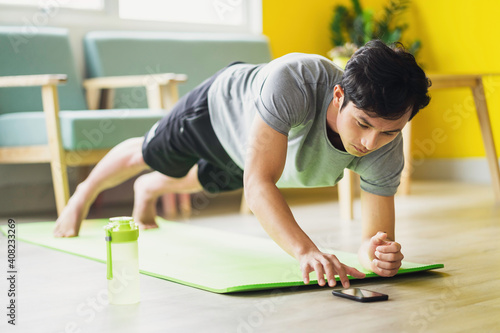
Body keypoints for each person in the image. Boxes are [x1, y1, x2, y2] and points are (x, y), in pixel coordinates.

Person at [54, 40, 431, 289]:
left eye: (389, 132)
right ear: (338, 95)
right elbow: (259, 185)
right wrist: (306, 251)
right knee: (148, 155)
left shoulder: (386, 148)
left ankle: (148, 188)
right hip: (217, 110)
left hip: (250, 155)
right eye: (363, 124)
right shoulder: (296, 81)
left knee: (199, 181)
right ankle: (83, 193)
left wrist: (377, 256)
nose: (370, 144)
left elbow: (372, 238)